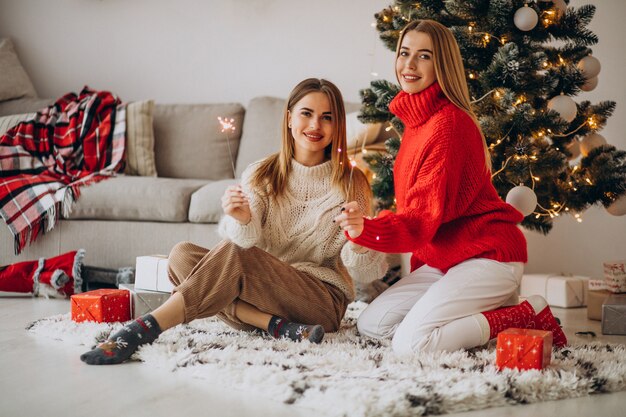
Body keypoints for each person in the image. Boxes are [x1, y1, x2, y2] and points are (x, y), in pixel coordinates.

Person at [81, 78, 387, 365]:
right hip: (265, 291)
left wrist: (360, 238)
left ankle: (143, 328)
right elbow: (244, 242)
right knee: (181, 255)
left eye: (327, 117)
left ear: (337, 126)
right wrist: (241, 220)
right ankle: (276, 326)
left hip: (320, 301)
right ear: (290, 117)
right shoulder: (261, 173)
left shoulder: (351, 182)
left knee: (231, 259)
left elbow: (366, 273)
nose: (315, 125)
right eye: (306, 113)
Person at [334, 20, 567, 356]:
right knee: (372, 324)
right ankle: (476, 313)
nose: (409, 65)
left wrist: (365, 228)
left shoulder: (449, 125)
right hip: (446, 260)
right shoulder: (416, 123)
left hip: (487, 255)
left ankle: (526, 315)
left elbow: (418, 221)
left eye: (424, 56)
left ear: (441, 64)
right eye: (404, 53)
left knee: (412, 345)